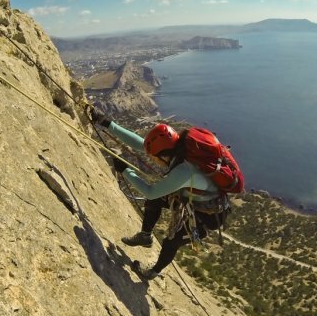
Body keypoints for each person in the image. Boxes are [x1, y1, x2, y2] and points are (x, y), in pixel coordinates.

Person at [90, 109, 228, 280]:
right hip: (193, 198)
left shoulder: (184, 171)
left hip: (207, 215)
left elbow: (151, 191)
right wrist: (107, 124)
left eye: (155, 157)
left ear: (163, 154)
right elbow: (142, 144)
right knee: (154, 201)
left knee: (172, 241)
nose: (152, 159)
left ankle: (153, 272)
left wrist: (126, 171)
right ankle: (145, 236)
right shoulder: (178, 148)